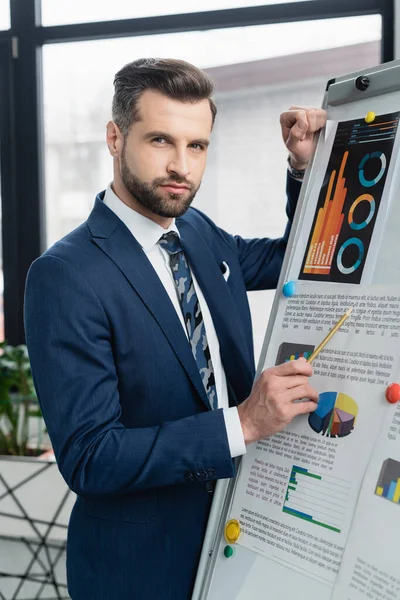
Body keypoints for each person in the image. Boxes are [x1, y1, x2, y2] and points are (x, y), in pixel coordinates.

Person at [24, 58, 326, 600]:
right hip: (140, 573)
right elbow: (91, 457)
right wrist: (243, 424)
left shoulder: (198, 232)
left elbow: (296, 260)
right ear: (115, 138)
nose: (181, 166)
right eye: (161, 140)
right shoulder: (64, 276)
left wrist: (305, 171)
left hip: (239, 544)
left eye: (198, 146)